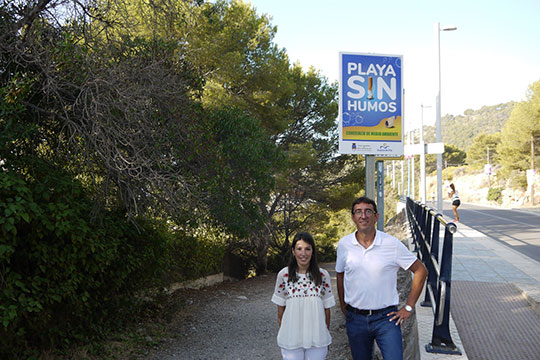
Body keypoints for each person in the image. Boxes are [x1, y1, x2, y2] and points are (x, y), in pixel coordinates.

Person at [336, 197, 428, 360]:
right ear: (353, 217)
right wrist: (344, 308)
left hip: (386, 319)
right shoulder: (344, 245)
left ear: (376, 216)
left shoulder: (391, 244)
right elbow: (340, 274)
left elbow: (421, 270)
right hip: (355, 319)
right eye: (358, 212)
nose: (363, 216)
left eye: (368, 211)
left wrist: (408, 307)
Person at [272, 232, 336, 360]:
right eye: (299, 249)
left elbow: (327, 310)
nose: (303, 253)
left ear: (312, 251)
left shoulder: (322, 276)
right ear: (293, 251)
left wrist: (323, 332)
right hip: (291, 340)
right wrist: (287, 331)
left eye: (307, 249)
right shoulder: (284, 275)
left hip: (317, 339)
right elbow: (280, 311)